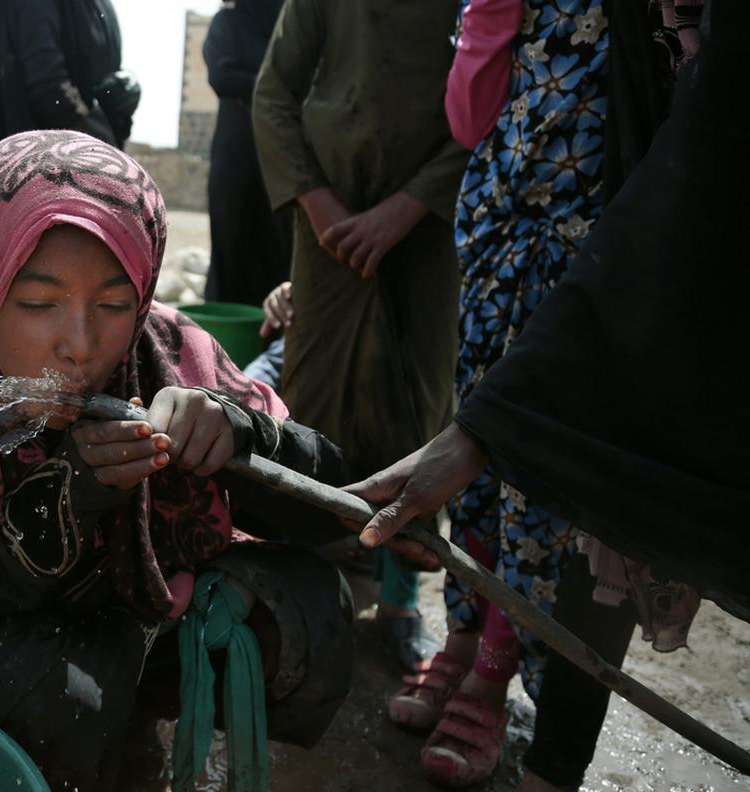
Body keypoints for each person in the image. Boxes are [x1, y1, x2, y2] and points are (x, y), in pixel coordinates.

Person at [348, 2, 747, 788]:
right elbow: (467, 121)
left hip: (600, 245)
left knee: (547, 488)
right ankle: (463, 640)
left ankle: (495, 673)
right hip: (499, 229)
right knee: (475, 460)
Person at [0, 130, 357, 792]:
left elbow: (340, 511)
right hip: (21, 634)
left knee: (310, 608)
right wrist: (65, 497)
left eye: (113, 305)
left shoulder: (171, 349)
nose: (78, 346)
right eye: (38, 304)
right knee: (49, 699)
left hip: (152, 617)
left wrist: (239, 438)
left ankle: (136, 716)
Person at [251, 0, 469, 674]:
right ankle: (306, 575)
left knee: (420, 404)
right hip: (329, 228)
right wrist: (319, 205)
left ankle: (401, 600)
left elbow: (485, 108)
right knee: (311, 398)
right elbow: (273, 94)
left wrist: (407, 210)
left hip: (430, 225)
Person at [0, 0, 140, 177]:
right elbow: (47, 86)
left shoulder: (99, 5)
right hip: (33, 166)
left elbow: (99, 69)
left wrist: (121, 92)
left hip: (82, 155)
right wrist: (103, 147)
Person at [202, 0, 292, 306]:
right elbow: (222, 76)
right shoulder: (228, 23)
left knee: (281, 250)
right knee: (233, 243)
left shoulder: (291, 24)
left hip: (283, 155)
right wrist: (274, 90)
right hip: (238, 156)